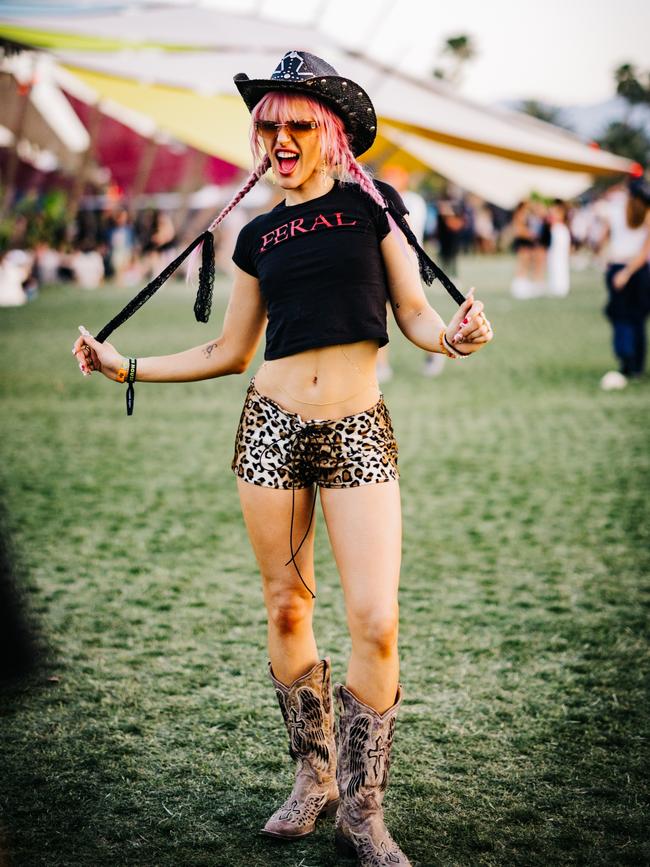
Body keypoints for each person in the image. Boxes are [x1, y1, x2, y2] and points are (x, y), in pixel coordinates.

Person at [72, 51, 493, 866]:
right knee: (287, 608)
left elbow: (413, 311)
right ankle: (315, 776)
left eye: (299, 123)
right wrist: (125, 366)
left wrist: (453, 336)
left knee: (377, 617)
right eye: (269, 125)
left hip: (358, 427)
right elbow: (229, 351)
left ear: (331, 132)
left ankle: (363, 808)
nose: (282, 137)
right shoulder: (257, 234)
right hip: (270, 427)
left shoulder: (376, 209)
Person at [601, 178, 650, 386]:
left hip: (624, 269)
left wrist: (623, 272)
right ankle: (635, 365)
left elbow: (606, 237)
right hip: (637, 270)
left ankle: (627, 361)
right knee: (635, 320)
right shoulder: (644, 214)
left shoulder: (618, 210)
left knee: (623, 318)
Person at [546, 199, 571, 297]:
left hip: (559, 230)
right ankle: (556, 286)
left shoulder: (559, 211)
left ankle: (561, 287)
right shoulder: (554, 210)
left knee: (560, 261)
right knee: (554, 261)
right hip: (556, 230)